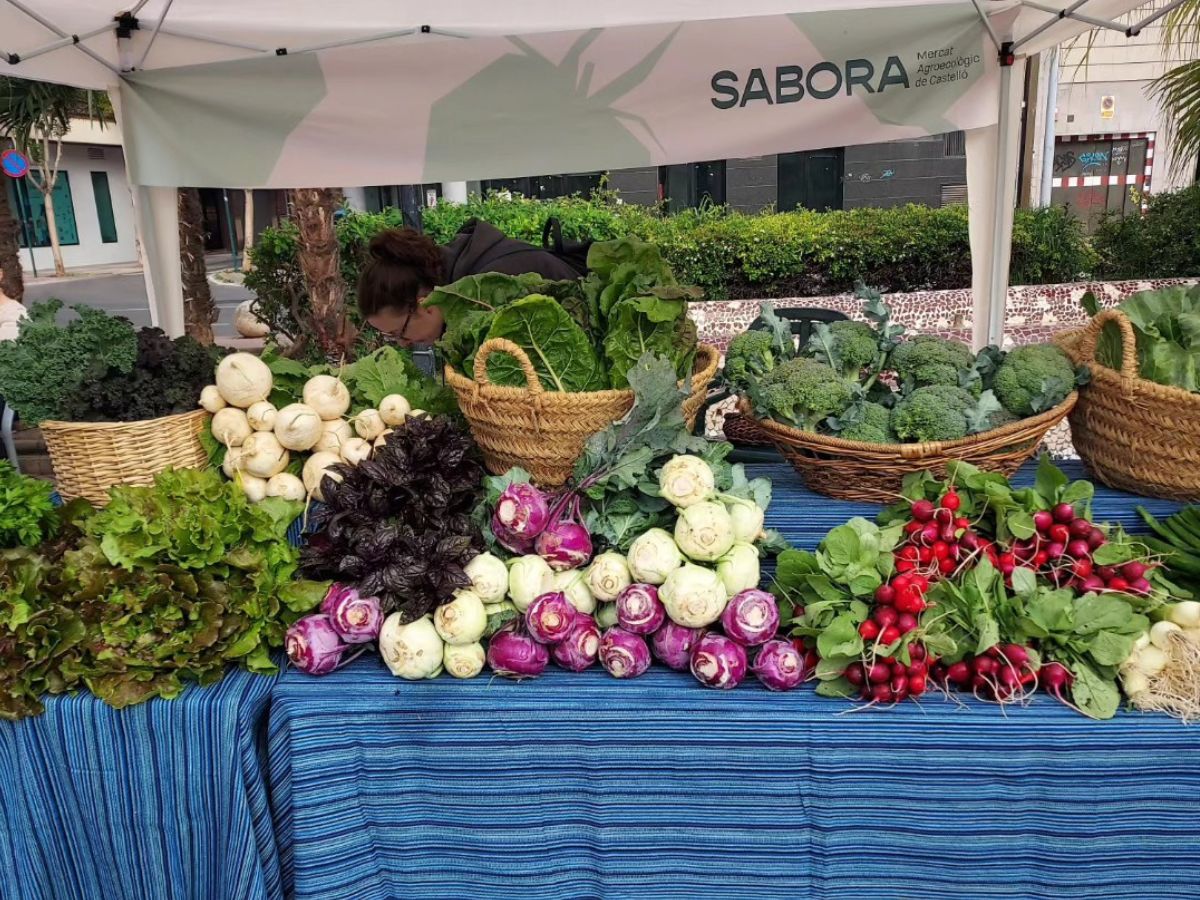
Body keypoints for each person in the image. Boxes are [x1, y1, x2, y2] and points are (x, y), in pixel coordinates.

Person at [358, 219, 582, 346]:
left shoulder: (491, 292)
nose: (403, 344)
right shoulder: (459, 272)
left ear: (427, 305)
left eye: (400, 333)